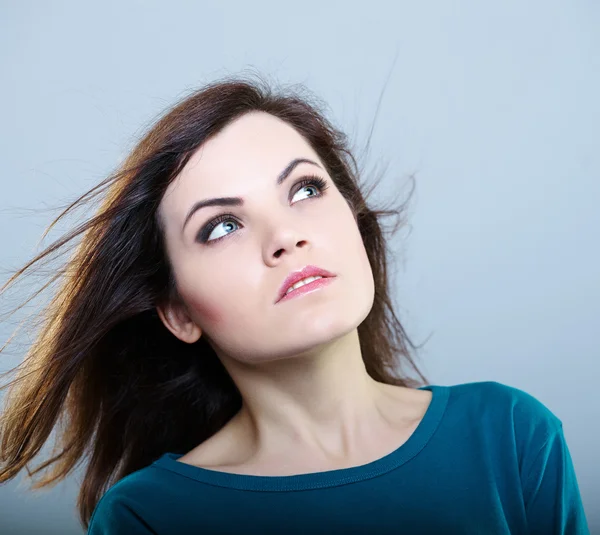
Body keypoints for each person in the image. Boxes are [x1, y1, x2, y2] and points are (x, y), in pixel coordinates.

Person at [0, 75, 589, 535]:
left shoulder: (511, 437)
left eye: (305, 189)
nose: (285, 236)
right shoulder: (149, 518)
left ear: (353, 219)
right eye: (223, 226)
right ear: (178, 312)